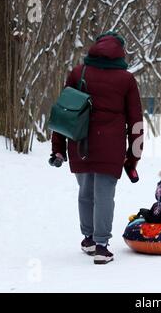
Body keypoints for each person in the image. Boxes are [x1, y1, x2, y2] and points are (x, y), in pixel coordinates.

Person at [50, 31, 143, 265]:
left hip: (80, 142)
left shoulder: (78, 73)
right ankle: (102, 246)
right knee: (104, 194)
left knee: (85, 192)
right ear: (120, 51)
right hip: (111, 146)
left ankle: (88, 238)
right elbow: (136, 121)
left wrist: (58, 148)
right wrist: (133, 157)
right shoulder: (126, 79)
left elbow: (63, 112)